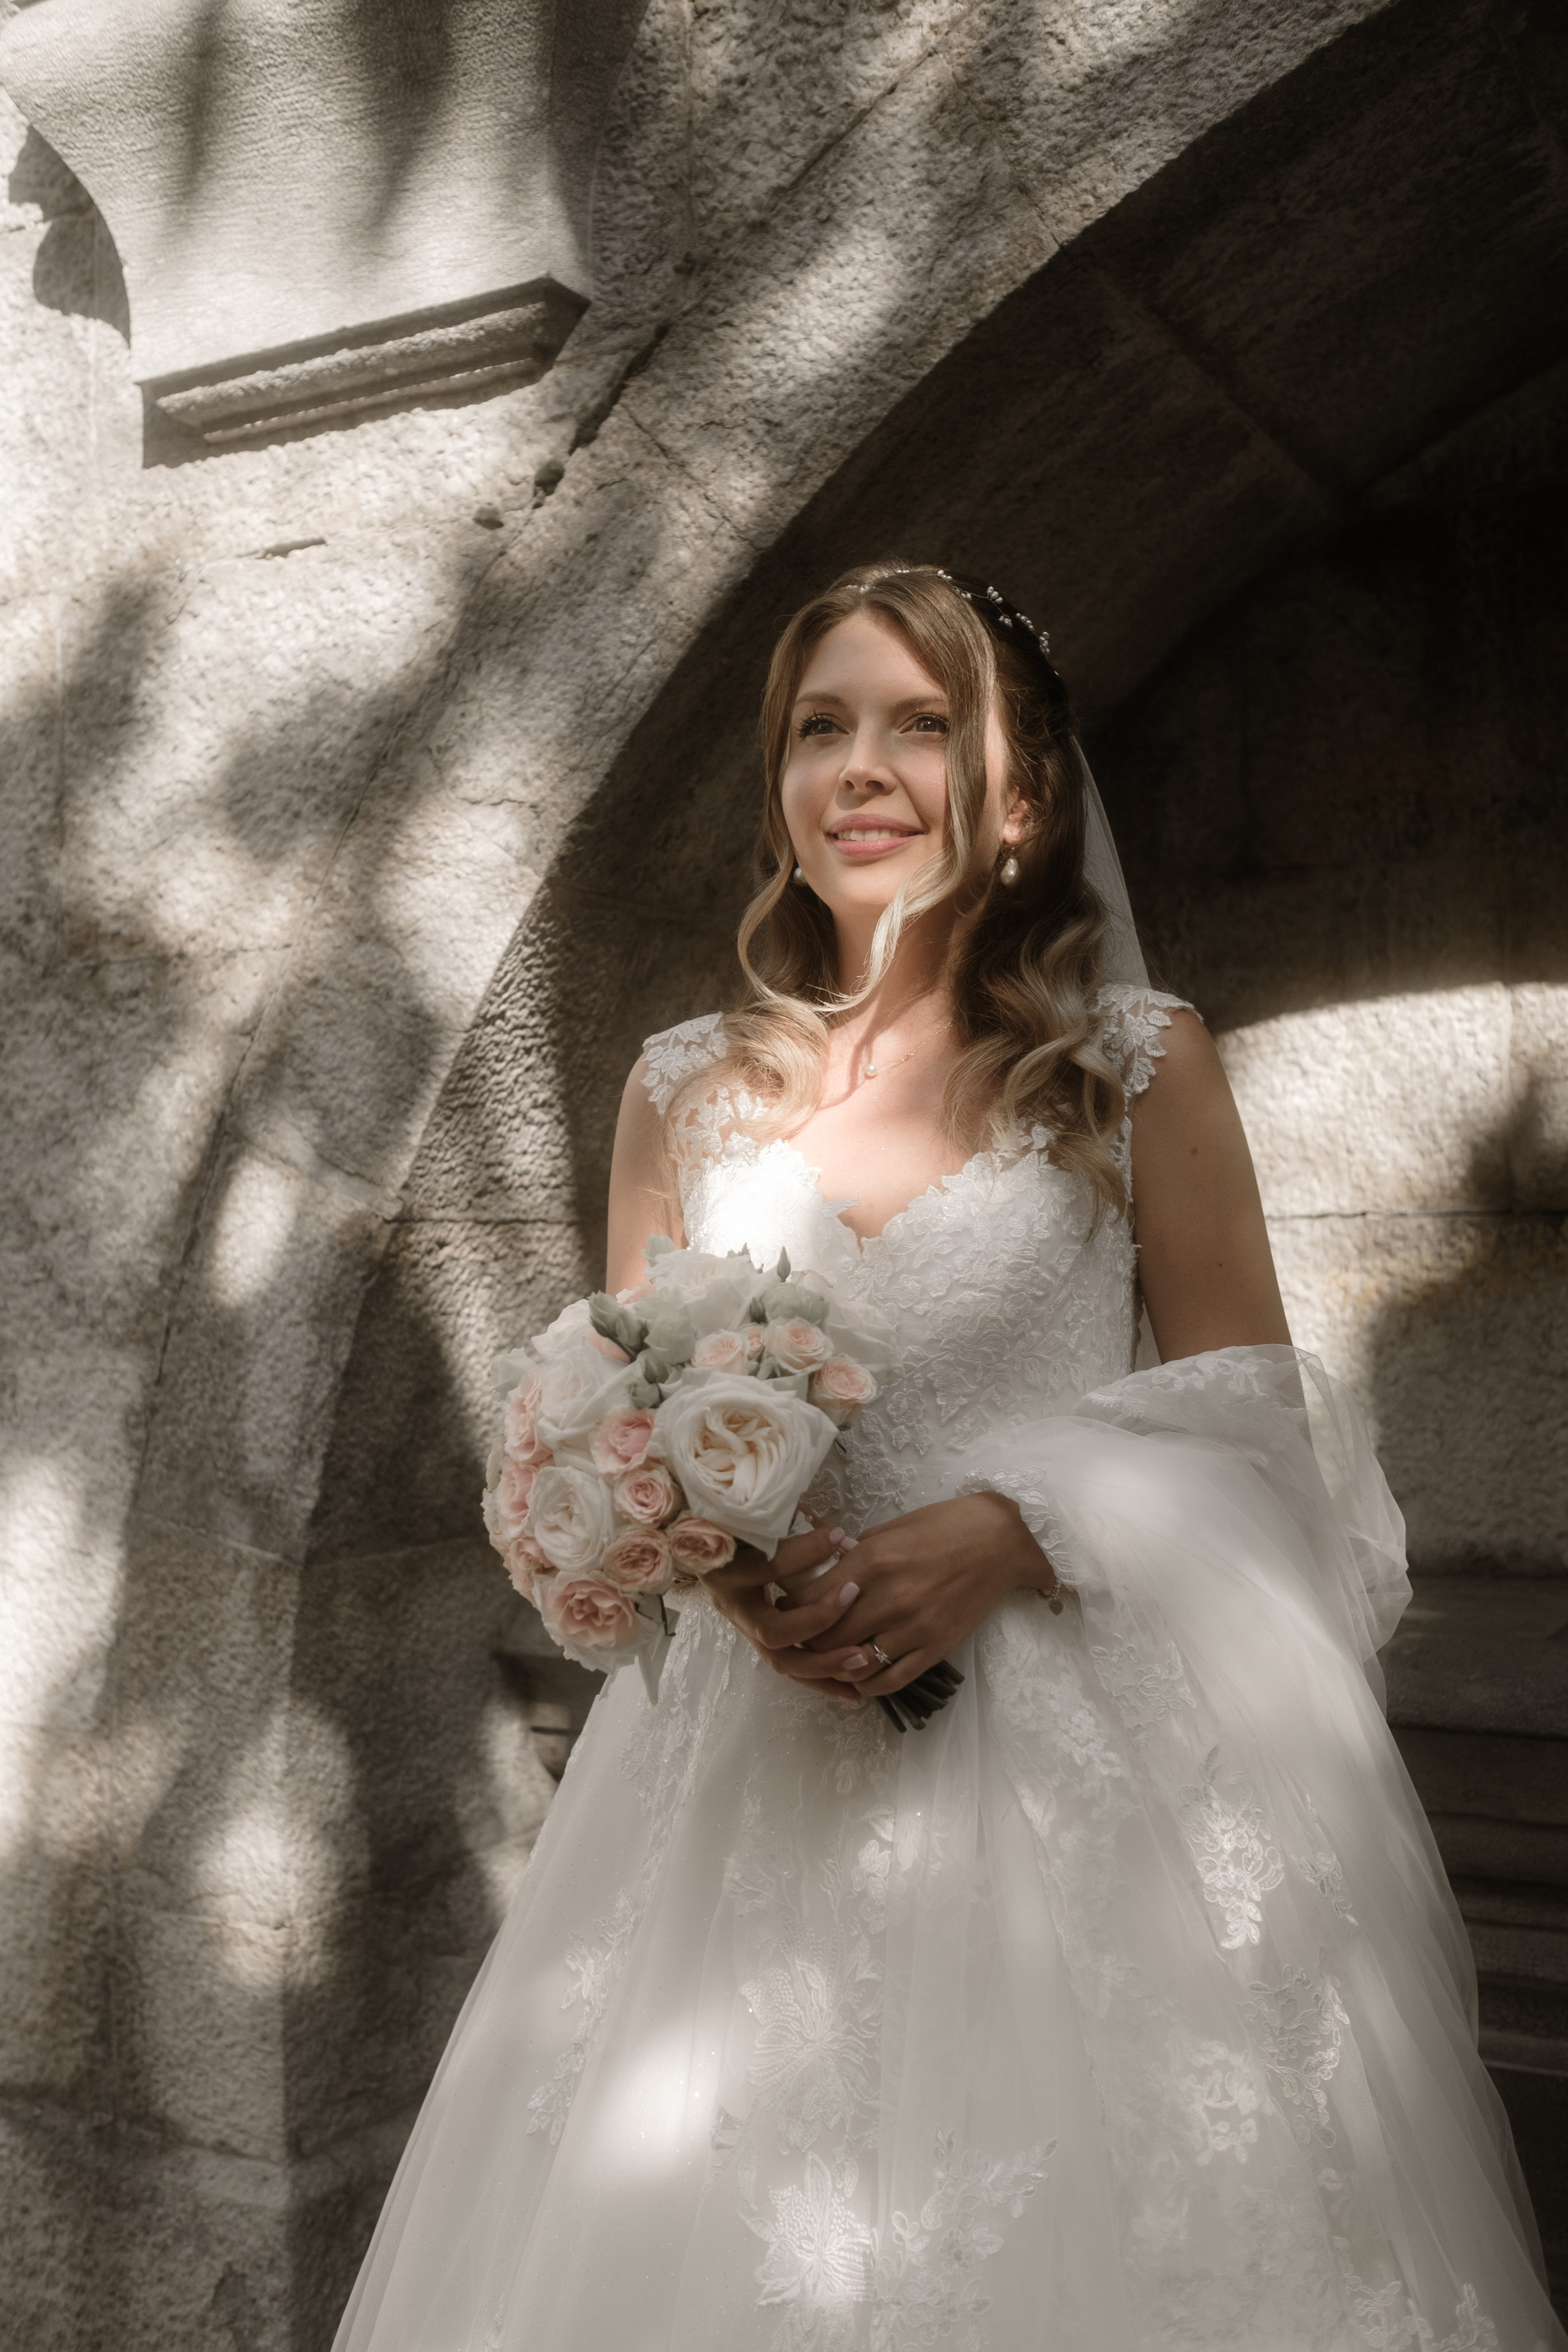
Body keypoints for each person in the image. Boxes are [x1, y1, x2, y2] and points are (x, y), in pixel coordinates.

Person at [334, 564, 1564, 2351]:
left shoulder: (1134, 1065)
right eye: (817, 727)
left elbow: (1255, 1421)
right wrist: (724, 1580)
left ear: (1022, 793)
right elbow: (629, 1403)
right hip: (752, 1772)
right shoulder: (684, 1089)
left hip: (1084, 1758)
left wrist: (1013, 1527)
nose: (859, 765)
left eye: (921, 723)